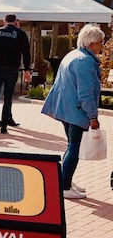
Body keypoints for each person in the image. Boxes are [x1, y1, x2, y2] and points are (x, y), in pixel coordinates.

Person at [41, 24, 105, 199]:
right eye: (101, 42)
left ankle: (64, 179)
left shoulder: (73, 55)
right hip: (77, 110)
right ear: (92, 43)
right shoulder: (85, 61)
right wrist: (93, 116)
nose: (102, 45)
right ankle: (64, 184)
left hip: (65, 107)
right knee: (74, 147)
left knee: (71, 145)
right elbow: (85, 92)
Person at [0, 14, 32, 134]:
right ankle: (4, 127)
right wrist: (27, 69)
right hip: (12, 68)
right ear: (15, 22)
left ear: (4, 21)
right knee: (8, 98)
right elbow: (26, 53)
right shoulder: (20, 33)